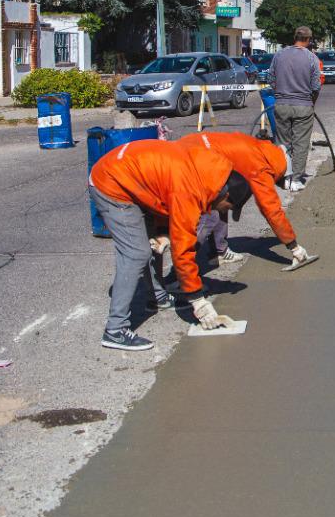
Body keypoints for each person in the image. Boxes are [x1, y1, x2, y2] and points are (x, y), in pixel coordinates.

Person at [88, 139, 252, 351]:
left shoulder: (211, 171)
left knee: (154, 243)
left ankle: (157, 298)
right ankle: (115, 330)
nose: (222, 212)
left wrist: (163, 232)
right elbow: (183, 252)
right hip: (112, 183)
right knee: (136, 253)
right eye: (226, 208)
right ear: (226, 194)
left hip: (135, 177)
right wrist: (198, 302)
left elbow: (165, 188)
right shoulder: (189, 191)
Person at [177, 131, 318, 272]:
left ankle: (219, 251)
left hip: (191, 145)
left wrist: (237, 205)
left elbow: (242, 183)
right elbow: (270, 209)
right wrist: (293, 246)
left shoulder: (260, 149)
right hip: (193, 159)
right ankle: (180, 273)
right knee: (210, 216)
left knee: (221, 200)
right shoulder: (261, 168)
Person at [270, 26, 322, 191]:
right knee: (300, 143)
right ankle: (296, 180)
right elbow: (316, 86)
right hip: (303, 106)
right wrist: (311, 102)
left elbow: (271, 78)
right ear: (308, 39)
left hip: (281, 105)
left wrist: (280, 94)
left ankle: (285, 177)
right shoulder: (311, 58)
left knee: (283, 143)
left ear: (295, 37)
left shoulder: (279, 54)